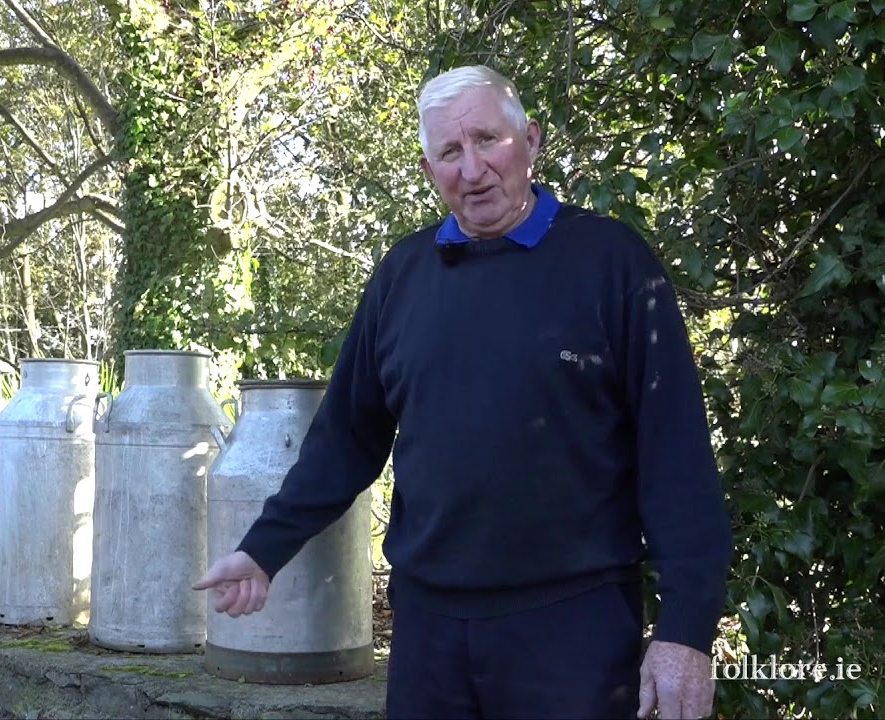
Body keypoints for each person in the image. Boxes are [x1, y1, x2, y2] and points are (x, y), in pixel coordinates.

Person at [191, 64, 734, 720]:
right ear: (428, 170)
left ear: (530, 141)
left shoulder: (612, 263)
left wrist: (686, 630)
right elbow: (345, 439)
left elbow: (676, 457)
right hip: (429, 635)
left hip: (574, 629)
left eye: (488, 140)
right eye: (450, 151)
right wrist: (262, 551)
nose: (472, 169)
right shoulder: (404, 275)